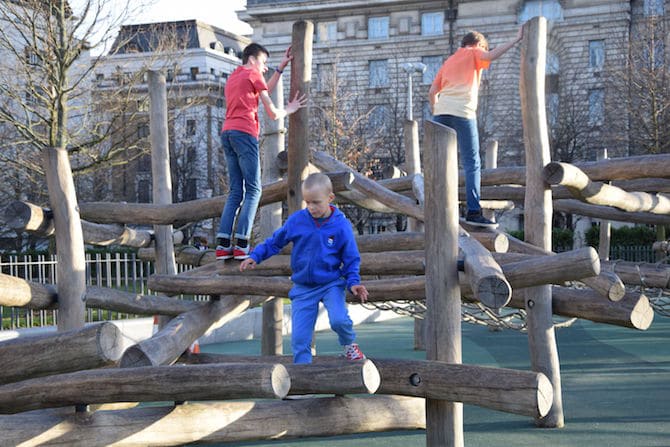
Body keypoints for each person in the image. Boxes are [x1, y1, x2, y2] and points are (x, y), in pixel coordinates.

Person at [240, 173, 369, 364]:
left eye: (316, 202)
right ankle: (302, 380)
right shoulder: (297, 221)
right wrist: (256, 256)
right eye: (307, 202)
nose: (311, 207)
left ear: (330, 198)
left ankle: (350, 346)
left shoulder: (341, 226)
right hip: (303, 287)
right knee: (300, 339)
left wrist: (353, 282)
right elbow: (276, 241)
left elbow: (350, 258)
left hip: (331, 283)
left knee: (339, 320)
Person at [216, 43, 307, 260]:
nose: (265, 68)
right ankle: (241, 244)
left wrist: (281, 68)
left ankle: (222, 245)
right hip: (244, 133)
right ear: (253, 60)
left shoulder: (235, 77)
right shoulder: (252, 75)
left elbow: (263, 88)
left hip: (227, 133)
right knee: (254, 189)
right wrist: (290, 109)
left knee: (236, 191)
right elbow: (274, 114)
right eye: (264, 63)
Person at [429, 28, 523, 228]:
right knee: (472, 162)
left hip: (441, 113)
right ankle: (473, 211)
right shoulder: (474, 52)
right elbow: (491, 55)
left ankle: (434, 202)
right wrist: (516, 39)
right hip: (463, 112)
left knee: (440, 160)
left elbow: (432, 92)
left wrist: (438, 110)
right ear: (478, 44)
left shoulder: (449, 61)